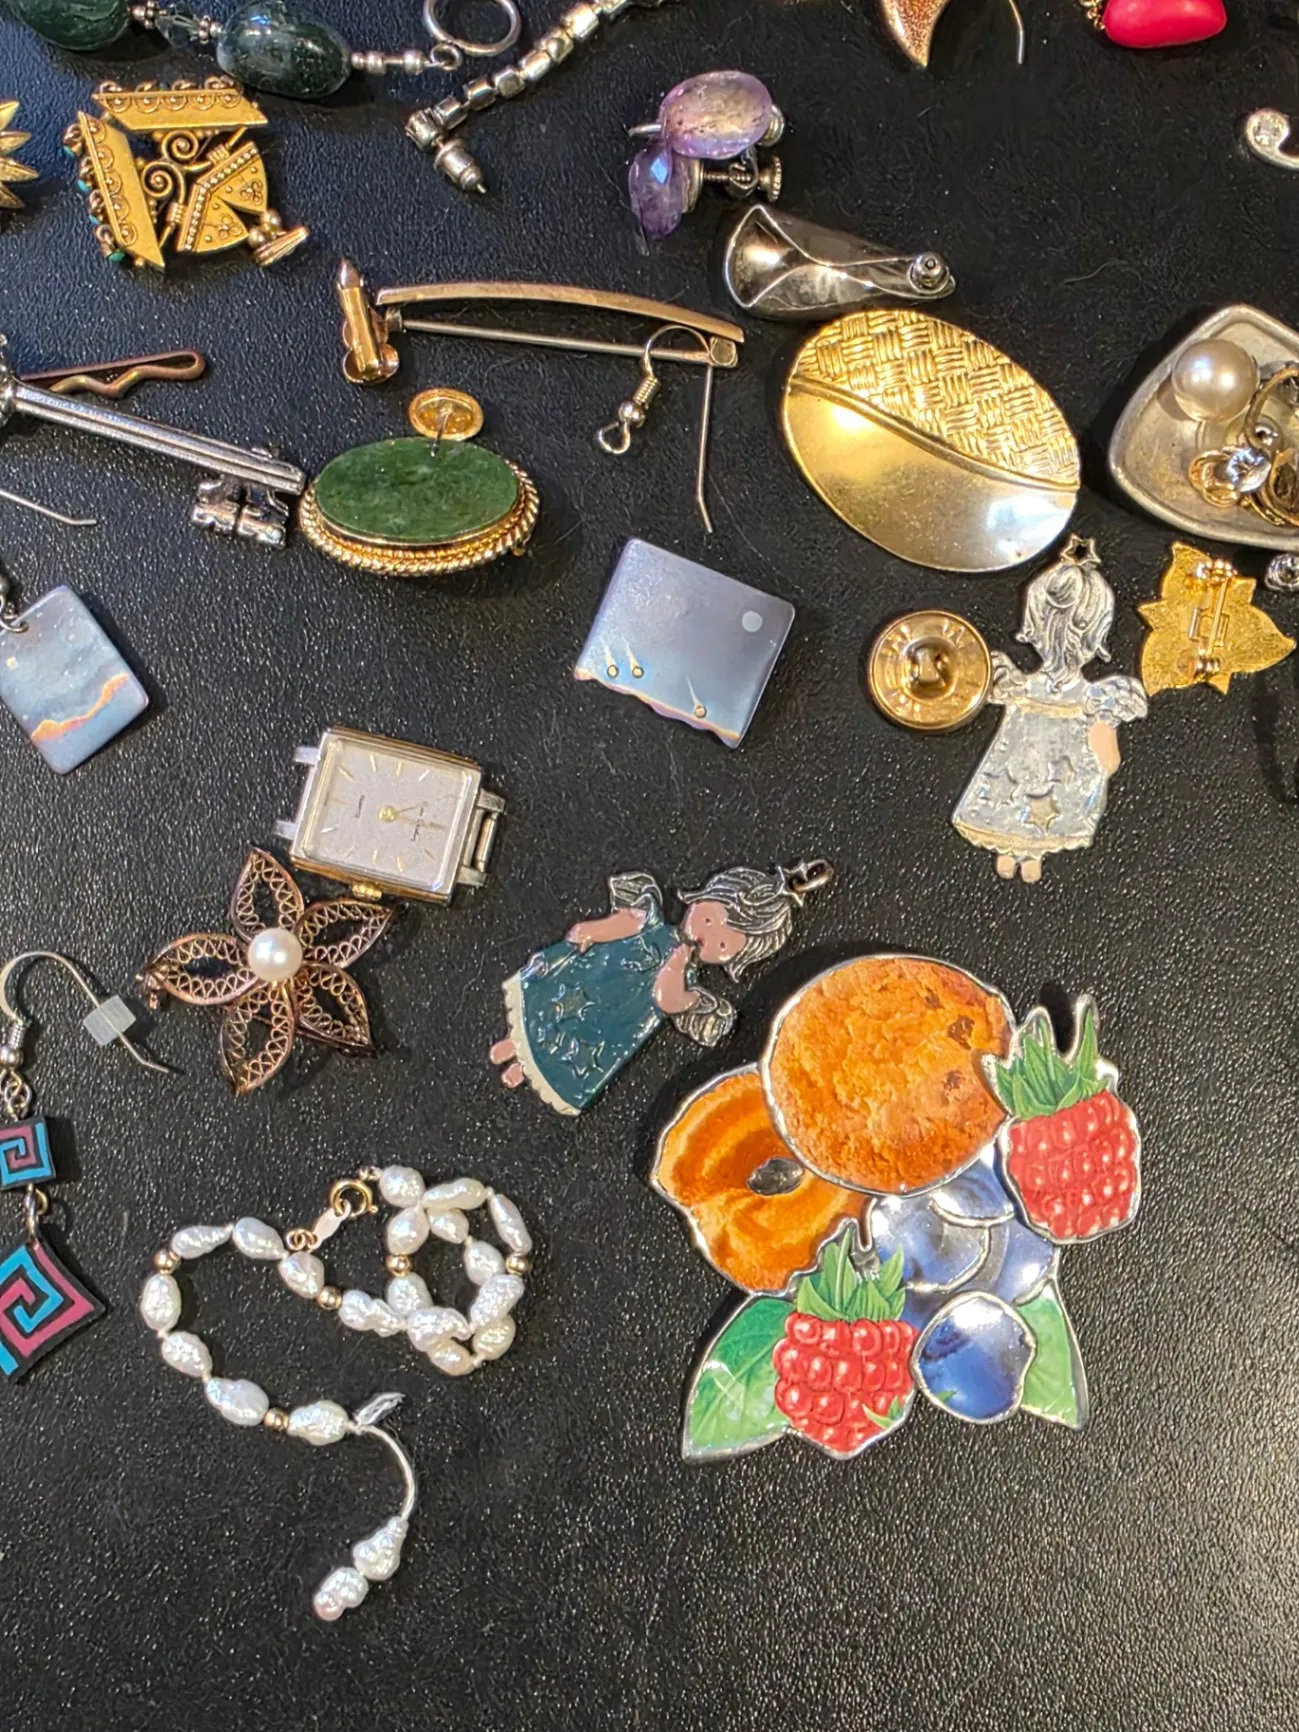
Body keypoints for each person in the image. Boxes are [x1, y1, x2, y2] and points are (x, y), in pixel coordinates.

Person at [490, 863, 821, 1114]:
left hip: (614, 1024)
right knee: (550, 1013)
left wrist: (676, 966)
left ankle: (524, 1070)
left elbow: (667, 999)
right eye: (710, 920)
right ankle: (512, 1046)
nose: (708, 936)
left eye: (722, 944)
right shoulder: (648, 922)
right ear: (702, 899)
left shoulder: (690, 988)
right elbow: (617, 924)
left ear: (735, 958)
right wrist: (591, 931)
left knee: (573, 1049)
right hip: (592, 981)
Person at [952, 537, 1147, 882]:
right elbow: (1109, 759)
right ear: (1096, 635)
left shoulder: (1081, 698)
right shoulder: (1054, 693)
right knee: (1015, 802)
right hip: (1016, 783)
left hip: (1043, 791)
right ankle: (1021, 855)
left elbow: (1108, 758)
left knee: (1030, 809)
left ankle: (1025, 855)